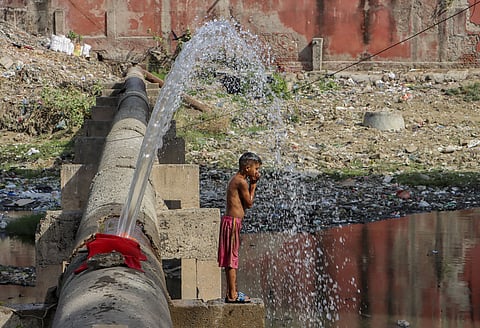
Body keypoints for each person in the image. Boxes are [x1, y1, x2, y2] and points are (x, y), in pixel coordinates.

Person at [218, 152, 262, 303]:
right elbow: (249, 203)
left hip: (230, 222)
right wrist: (254, 185)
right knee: (231, 260)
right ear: (247, 167)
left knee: (230, 258)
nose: (257, 172)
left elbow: (242, 204)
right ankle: (232, 295)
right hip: (232, 223)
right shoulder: (241, 182)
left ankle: (232, 291)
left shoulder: (236, 180)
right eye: (255, 169)